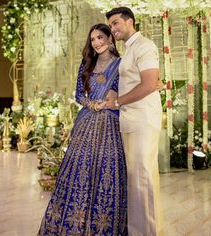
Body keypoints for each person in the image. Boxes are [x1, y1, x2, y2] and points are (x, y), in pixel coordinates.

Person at [38, 23, 127, 235]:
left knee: (107, 175)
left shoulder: (121, 65)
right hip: (86, 123)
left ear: (110, 38)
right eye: (93, 39)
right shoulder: (86, 64)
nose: (96, 42)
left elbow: (119, 93)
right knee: (78, 173)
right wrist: (92, 104)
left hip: (110, 126)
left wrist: (108, 101)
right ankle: (72, 225)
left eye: (100, 37)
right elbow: (79, 95)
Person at [105, 7, 163, 236]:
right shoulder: (128, 50)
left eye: (116, 22)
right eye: (110, 25)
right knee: (136, 179)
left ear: (130, 21)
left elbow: (149, 84)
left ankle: (150, 232)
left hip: (143, 119)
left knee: (143, 177)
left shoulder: (144, 45)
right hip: (130, 120)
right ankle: (138, 231)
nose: (113, 28)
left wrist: (118, 102)